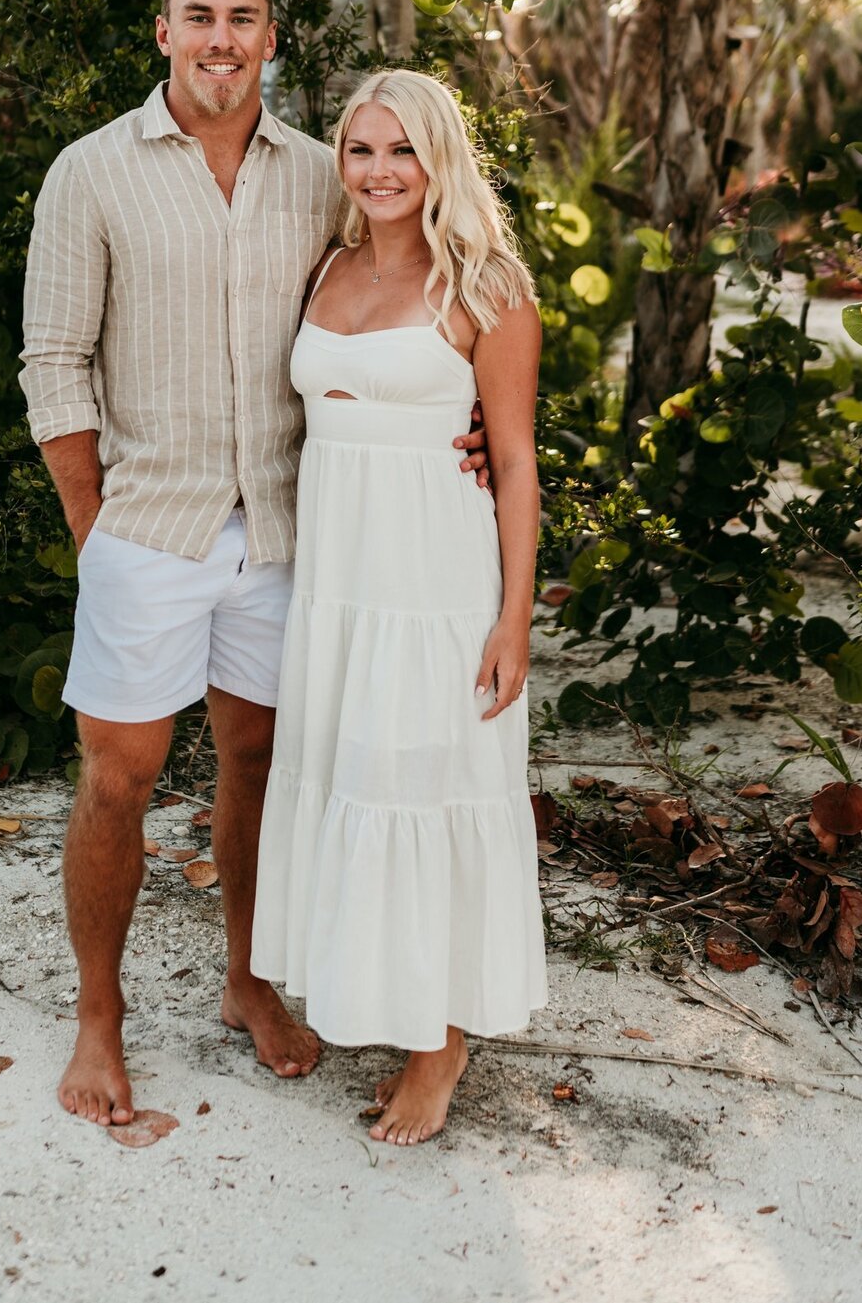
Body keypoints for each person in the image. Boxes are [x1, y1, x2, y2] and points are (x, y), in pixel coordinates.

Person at [18, 0, 489, 1127]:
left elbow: (412, 277)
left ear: (272, 38)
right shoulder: (91, 173)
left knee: (261, 764)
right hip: (149, 528)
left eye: (245, 18)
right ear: (163, 32)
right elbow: (52, 363)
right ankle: (98, 1021)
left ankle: (246, 984)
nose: (222, 37)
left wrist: (467, 415)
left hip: (290, 533)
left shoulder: (321, 175)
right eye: (199, 17)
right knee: (118, 778)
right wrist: (95, 528)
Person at [251, 68, 549, 1147]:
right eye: (361, 150)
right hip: (339, 582)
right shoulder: (325, 268)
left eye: (402, 151)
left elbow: (513, 462)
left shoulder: (489, 288)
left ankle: (443, 1044)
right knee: (358, 779)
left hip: (435, 580)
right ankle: (389, 1002)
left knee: (434, 784)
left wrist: (513, 619)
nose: (380, 171)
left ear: (440, 160)